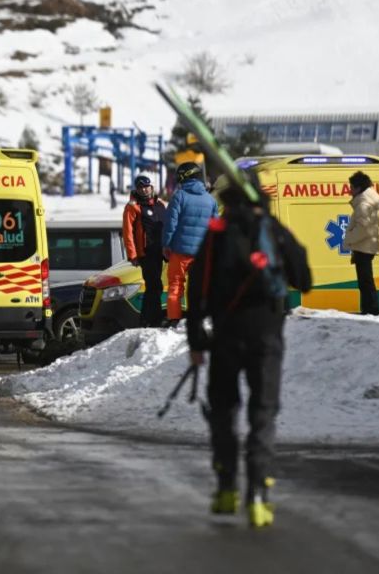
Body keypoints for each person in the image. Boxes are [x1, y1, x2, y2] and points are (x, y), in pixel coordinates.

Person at [186, 170, 311, 529]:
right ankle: (258, 494)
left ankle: (226, 490)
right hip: (267, 336)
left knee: (224, 412)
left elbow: (198, 292)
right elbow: (304, 279)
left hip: (225, 335)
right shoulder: (272, 231)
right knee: (263, 413)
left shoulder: (216, 235)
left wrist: (197, 342)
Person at [161, 162, 218, 326]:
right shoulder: (211, 200)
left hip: (180, 252)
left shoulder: (179, 196)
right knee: (200, 287)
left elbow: (170, 224)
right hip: (202, 253)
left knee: (175, 286)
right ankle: (200, 318)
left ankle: (174, 319)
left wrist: (166, 245)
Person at [123, 175, 167, 327]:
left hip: (160, 251)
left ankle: (151, 318)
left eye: (146, 186)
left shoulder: (160, 203)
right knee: (153, 285)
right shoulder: (133, 207)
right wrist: (132, 255)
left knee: (156, 285)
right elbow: (127, 232)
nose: (144, 189)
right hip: (146, 252)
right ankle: (150, 319)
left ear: (151, 187)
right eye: (140, 187)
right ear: (136, 189)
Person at [343, 171, 379, 315]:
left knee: (365, 282)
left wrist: (349, 239)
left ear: (358, 188)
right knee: (366, 281)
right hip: (366, 246)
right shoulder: (368, 200)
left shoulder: (363, 204)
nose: (349, 190)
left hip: (363, 247)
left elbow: (364, 229)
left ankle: (370, 310)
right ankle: (370, 309)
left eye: (351, 187)